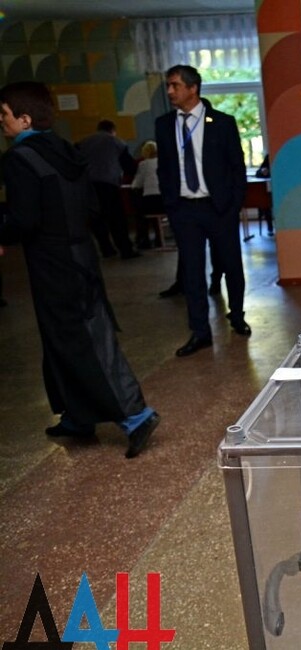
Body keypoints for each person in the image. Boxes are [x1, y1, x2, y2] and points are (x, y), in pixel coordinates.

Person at [0, 81, 159, 458]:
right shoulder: (66, 150)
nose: (1, 121)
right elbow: (91, 208)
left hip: (52, 262)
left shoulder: (19, 159)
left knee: (83, 339)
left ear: (25, 119)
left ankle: (136, 415)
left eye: (4, 114)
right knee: (63, 337)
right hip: (80, 255)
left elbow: (23, 219)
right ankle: (77, 417)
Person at [154, 64, 250, 357]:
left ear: (193, 88)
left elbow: (237, 167)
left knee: (231, 265)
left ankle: (237, 315)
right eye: (168, 86)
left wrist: (233, 205)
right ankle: (200, 331)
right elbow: (164, 168)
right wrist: (170, 203)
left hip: (218, 208)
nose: (170, 91)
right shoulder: (163, 124)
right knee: (192, 272)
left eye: (175, 85)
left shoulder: (221, 122)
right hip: (184, 210)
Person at [76, 119, 139, 259]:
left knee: (97, 219)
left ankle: (106, 248)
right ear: (112, 130)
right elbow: (129, 166)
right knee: (117, 219)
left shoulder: (83, 142)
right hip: (109, 184)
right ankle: (125, 250)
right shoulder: (116, 142)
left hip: (89, 186)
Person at [131, 139, 163, 248]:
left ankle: (144, 240)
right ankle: (160, 239)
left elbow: (137, 184)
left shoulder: (143, 164)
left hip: (150, 201)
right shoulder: (164, 162)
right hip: (164, 200)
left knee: (140, 214)